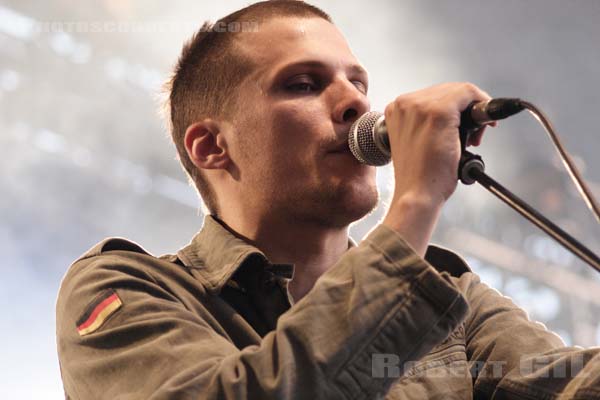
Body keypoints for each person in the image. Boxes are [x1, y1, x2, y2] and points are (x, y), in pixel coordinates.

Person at [56, 1, 600, 399]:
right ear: (212, 147)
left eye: (358, 82)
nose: (355, 103)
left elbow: (569, 385)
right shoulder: (127, 289)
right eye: (302, 84)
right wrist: (413, 203)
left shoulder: (450, 297)